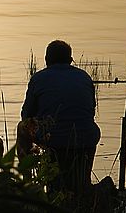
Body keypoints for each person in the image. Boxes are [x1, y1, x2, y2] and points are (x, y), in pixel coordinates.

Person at [17, 40, 100, 194]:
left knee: (22, 127)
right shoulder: (84, 77)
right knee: (81, 185)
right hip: (87, 137)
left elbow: (26, 115)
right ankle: (84, 186)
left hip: (55, 140)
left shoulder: (39, 78)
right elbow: (91, 112)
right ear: (70, 60)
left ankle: (27, 185)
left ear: (47, 60)